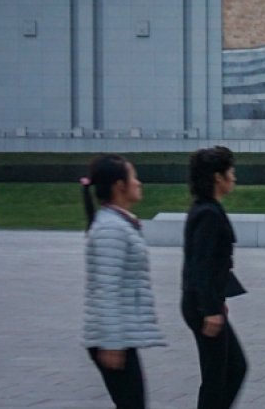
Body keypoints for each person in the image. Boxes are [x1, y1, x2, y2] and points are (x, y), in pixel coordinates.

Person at [81, 154, 166, 409]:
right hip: (112, 336)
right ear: (120, 186)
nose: (139, 183)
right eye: (133, 177)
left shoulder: (117, 224)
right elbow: (108, 288)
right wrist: (111, 341)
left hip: (118, 334)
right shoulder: (111, 230)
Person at [182, 146, 249, 409]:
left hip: (203, 302)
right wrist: (210, 308)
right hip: (200, 305)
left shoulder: (206, 208)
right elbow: (201, 266)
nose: (234, 177)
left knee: (232, 368)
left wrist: (217, 301)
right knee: (219, 374)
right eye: (230, 171)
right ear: (218, 178)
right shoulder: (208, 213)